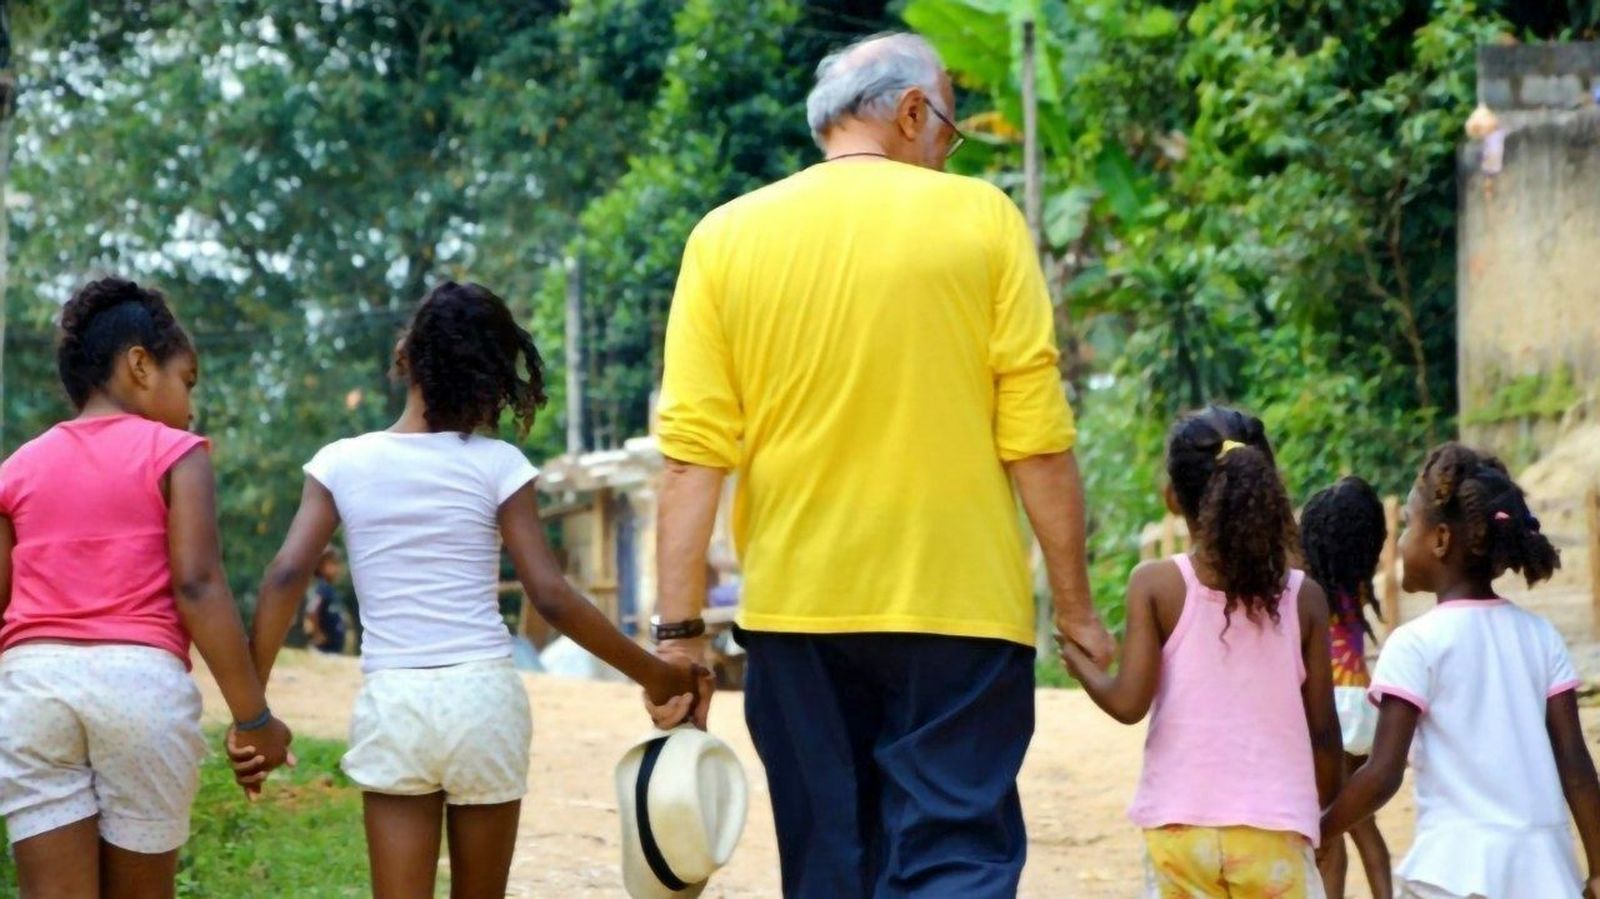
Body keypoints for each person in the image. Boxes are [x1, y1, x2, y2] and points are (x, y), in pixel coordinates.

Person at [645, 32, 1115, 898]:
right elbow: (1037, 441)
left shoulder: (724, 237)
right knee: (954, 859)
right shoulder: (983, 221)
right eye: (948, 129)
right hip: (962, 618)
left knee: (829, 868)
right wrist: (1079, 611)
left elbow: (691, 460)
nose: (948, 150)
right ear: (909, 112)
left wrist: (679, 639)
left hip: (799, 617)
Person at [238, 281, 706, 899]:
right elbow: (551, 594)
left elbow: (283, 577)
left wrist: (253, 714)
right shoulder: (498, 464)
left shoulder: (341, 462)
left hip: (396, 699)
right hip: (483, 699)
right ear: (491, 379)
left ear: (406, 355)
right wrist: (654, 673)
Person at [0, 278, 293, 898]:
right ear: (139, 364)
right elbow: (197, 583)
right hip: (138, 686)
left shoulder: (17, 467)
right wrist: (255, 718)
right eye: (186, 381)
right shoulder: (176, 452)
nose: (189, 405)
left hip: (32, 689)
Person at [1061, 406, 1343, 898]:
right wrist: (1323, 819)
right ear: (1268, 490)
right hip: (1274, 830)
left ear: (1173, 499)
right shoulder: (1305, 598)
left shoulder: (1156, 584)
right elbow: (1323, 732)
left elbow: (1129, 704)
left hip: (1179, 830)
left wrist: (1081, 664)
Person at [1321, 444, 1600, 899]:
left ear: (1441, 540)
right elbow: (1576, 765)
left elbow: (1382, 774)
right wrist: (1598, 867)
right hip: (1544, 873)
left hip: (1453, 873)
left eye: (1410, 525)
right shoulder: (1540, 635)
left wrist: (1321, 829)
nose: (1402, 542)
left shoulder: (1414, 643)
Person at [1301, 476, 1392, 898]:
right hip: (1363, 706)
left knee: (1329, 827)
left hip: (1331, 708)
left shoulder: (1311, 587)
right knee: (1362, 824)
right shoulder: (1357, 582)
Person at [303, 548, 347, 654]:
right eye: (332, 563)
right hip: (324, 649)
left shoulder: (329, 588)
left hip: (333, 648)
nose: (337, 568)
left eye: (337, 564)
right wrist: (317, 633)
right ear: (320, 566)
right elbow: (312, 611)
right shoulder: (322, 587)